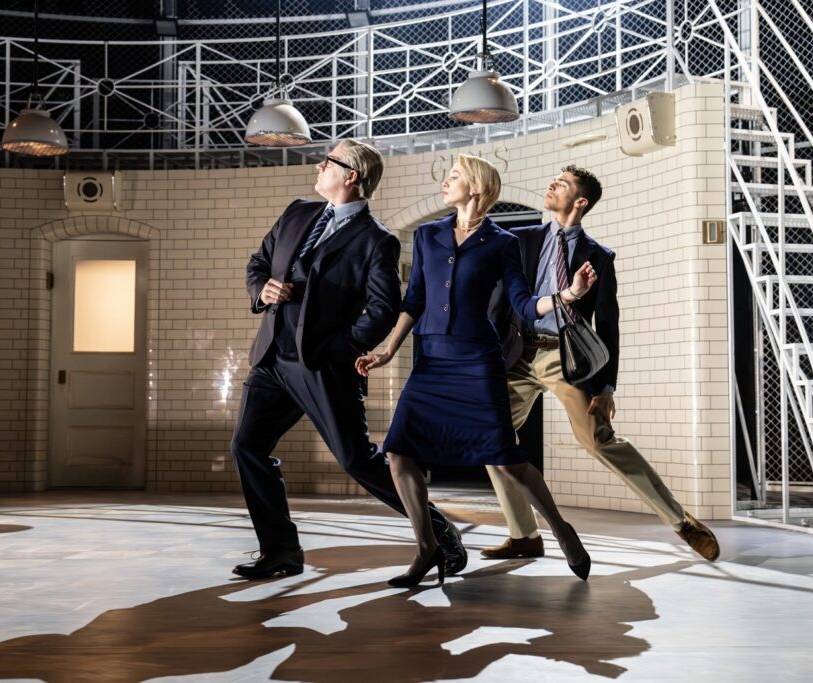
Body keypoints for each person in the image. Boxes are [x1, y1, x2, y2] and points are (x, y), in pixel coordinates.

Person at [231, 140, 467, 580]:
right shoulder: (298, 212)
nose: (319, 166)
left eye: (329, 161)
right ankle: (280, 551)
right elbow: (258, 263)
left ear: (351, 175)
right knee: (247, 446)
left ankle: (437, 532)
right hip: (271, 359)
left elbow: (381, 310)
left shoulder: (376, 240)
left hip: (322, 367)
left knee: (357, 460)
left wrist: (335, 351)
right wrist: (260, 290)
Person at [356, 154, 596, 586]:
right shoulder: (428, 236)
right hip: (431, 361)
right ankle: (427, 546)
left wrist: (567, 294)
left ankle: (561, 530)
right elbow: (414, 301)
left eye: (453, 178)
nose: (445, 184)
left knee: (506, 461)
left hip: (477, 362)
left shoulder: (502, 242)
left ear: (477, 188)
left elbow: (523, 304)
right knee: (398, 453)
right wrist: (388, 350)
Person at [481, 165, 721, 563]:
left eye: (562, 183)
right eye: (552, 178)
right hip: (516, 352)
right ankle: (524, 535)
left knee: (598, 439)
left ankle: (681, 521)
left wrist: (606, 388)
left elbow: (608, 326)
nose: (551, 183)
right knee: (491, 435)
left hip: (566, 357)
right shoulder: (519, 240)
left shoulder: (600, 257)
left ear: (580, 202)